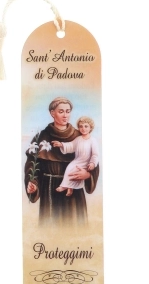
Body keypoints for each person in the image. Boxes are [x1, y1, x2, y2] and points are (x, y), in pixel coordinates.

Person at [24, 97, 99, 227]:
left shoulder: (79, 136)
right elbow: (32, 163)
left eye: (68, 111)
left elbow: (93, 159)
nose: (65, 115)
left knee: (75, 227)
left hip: (74, 187)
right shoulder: (42, 136)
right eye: (61, 111)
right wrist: (33, 183)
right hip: (49, 188)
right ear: (52, 113)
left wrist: (88, 175)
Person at [52, 116, 99, 197]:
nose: (83, 129)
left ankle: (67, 187)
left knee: (78, 174)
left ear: (90, 127)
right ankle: (68, 187)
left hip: (86, 162)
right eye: (81, 126)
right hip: (78, 160)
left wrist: (92, 163)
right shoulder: (78, 139)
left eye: (86, 126)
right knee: (70, 168)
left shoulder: (93, 140)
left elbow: (95, 154)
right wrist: (61, 145)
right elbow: (71, 146)